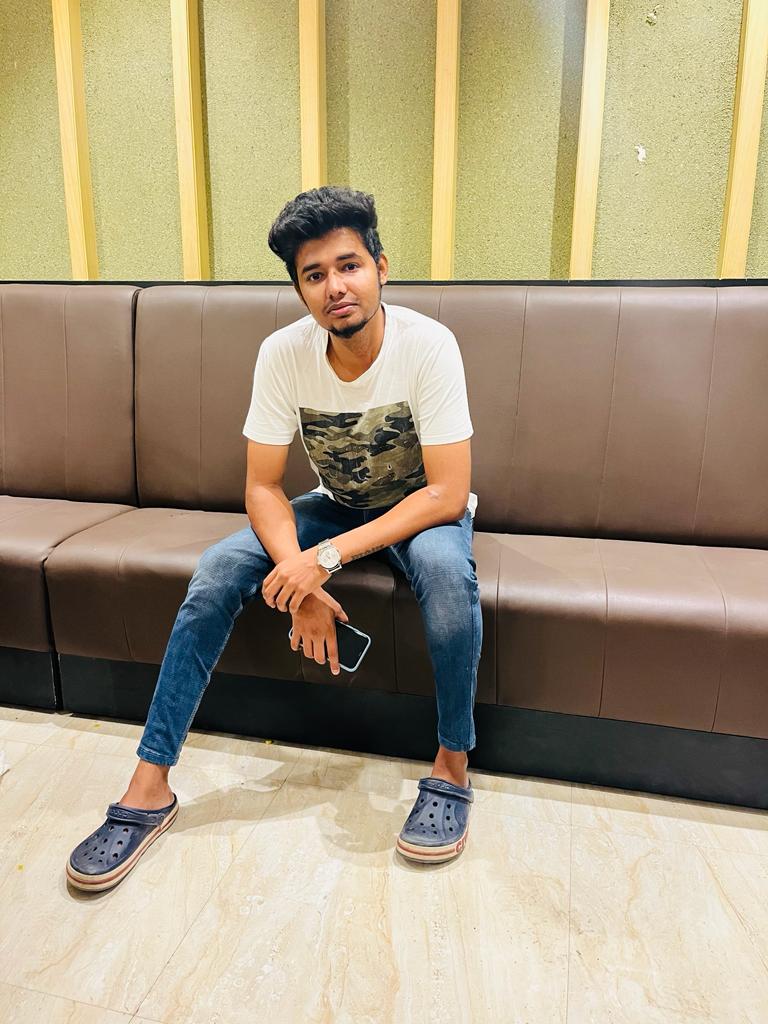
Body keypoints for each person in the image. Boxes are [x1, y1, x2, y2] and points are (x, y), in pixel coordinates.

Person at [66, 185, 481, 891]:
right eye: (314, 275)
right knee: (216, 570)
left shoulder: (428, 345)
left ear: (381, 268)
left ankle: (452, 766)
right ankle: (149, 784)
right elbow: (262, 486)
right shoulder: (283, 353)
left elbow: (446, 490)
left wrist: (325, 559)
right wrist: (301, 580)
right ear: (300, 291)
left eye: (349, 265)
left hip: (421, 510)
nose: (335, 286)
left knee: (447, 579)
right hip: (336, 504)